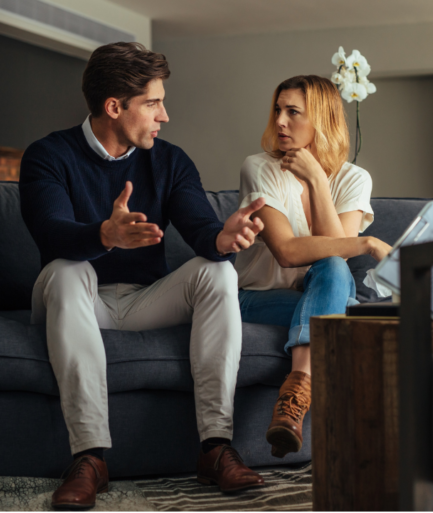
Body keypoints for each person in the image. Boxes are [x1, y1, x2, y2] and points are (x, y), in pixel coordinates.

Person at [20, 43, 267, 510]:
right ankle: (90, 458)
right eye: (153, 103)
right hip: (75, 300)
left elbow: (200, 229)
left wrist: (223, 239)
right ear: (115, 107)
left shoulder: (170, 161)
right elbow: (51, 234)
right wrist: (105, 235)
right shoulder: (48, 155)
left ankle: (216, 447)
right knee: (67, 270)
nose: (165, 115)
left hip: (143, 301)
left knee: (216, 273)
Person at [235, 75, 392, 458]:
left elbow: (333, 257)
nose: (281, 122)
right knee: (344, 315)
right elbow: (287, 251)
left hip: (317, 295)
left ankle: (295, 395)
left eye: (293, 112)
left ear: (320, 120)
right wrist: (368, 243)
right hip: (255, 297)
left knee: (335, 276)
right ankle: (310, 395)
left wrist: (319, 182)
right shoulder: (258, 167)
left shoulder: (354, 178)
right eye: (278, 110)